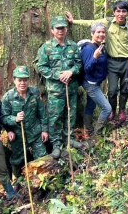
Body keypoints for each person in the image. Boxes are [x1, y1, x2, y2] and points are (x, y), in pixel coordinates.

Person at [65, 0, 128, 123]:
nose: (121, 14)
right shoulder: (108, 23)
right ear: (114, 12)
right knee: (112, 89)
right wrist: (74, 21)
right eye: (118, 11)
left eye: (123, 11)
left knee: (125, 88)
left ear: (127, 13)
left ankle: (121, 111)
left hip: (127, 62)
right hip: (112, 62)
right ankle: (112, 111)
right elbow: (91, 23)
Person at [37, 16, 83, 159]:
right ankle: (56, 144)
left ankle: (69, 139)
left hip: (71, 88)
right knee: (55, 117)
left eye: (63, 28)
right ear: (52, 30)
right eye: (57, 28)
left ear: (67, 29)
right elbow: (42, 67)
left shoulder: (73, 46)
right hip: (55, 91)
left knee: (70, 114)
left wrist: (71, 72)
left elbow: (79, 64)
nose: (60, 30)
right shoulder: (46, 47)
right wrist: (58, 75)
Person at [1, 66, 49, 171]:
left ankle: (43, 180)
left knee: (43, 158)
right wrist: (15, 119)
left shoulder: (34, 92)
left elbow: (41, 112)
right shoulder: (8, 97)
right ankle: (17, 181)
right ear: (14, 80)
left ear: (29, 80)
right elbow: (3, 118)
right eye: (19, 80)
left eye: (25, 80)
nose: (22, 83)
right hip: (18, 136)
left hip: (35, 133)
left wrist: (44, 130)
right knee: (17, 160)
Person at [80, 22, 112, 135]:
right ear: (92, 33)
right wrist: (95, 57)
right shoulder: (89, 48)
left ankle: (87, 131)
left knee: (91, 106)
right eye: (98, 32)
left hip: (96, 82)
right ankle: (97, 134)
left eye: (103, 32)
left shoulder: (100, 47)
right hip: (90, 84)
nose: (101, 34)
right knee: (107, 109)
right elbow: (87, 68)